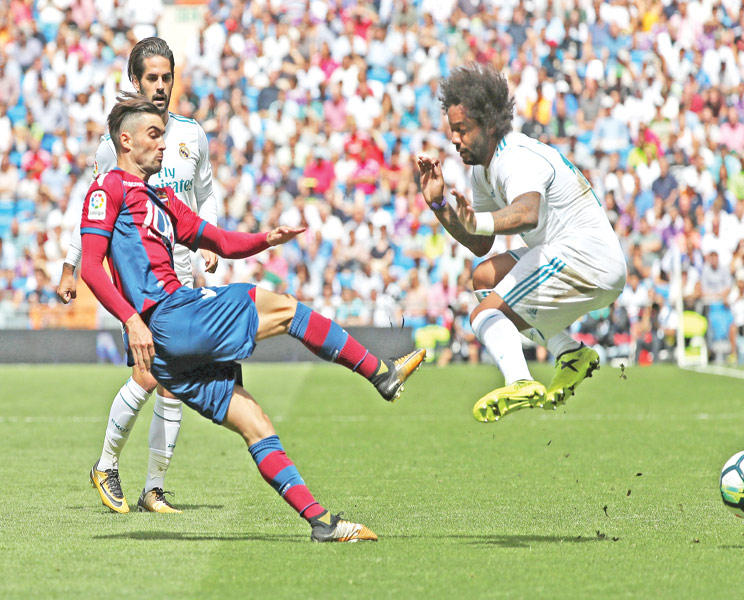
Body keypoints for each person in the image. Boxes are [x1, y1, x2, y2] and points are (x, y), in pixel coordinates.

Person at [79, 94, 425, 541]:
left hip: (169, 349)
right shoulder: (107, 188)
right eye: (153, 135)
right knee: (285, 308)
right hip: (170, 316)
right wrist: (131, 319)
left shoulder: (159, 197)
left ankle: (321, 523)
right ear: (125, 141)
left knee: (254, 422)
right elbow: (91, 266)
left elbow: (218, 240)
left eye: (163, 134)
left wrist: (266, 238)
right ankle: (380, 373)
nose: (163, 144)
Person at [56, 38, 221, 513]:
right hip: (141, 279)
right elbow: (95, 208)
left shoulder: (191, 136)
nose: (161, 86)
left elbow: (207, 195)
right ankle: (107, 464)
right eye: (152, 77)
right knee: (148, 373)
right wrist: (72, 263)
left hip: (183, 272)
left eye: (167, 77)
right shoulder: (118, 142)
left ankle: (153, 488)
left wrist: (210, 247)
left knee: (174, 379)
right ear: (136, 81)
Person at [417, 63, 626, 423]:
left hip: (585, 258)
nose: (454, 139)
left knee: (484, 314)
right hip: (564, 253)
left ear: (489, 125)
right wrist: (439, 206)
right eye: (452, 130)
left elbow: (527, 213)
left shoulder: (516, 157)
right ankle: (570, 353)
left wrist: (477, 220)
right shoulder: (482, 169)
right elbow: (481, 243)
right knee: (483, 278)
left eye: (462, 130)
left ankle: (520, 381)